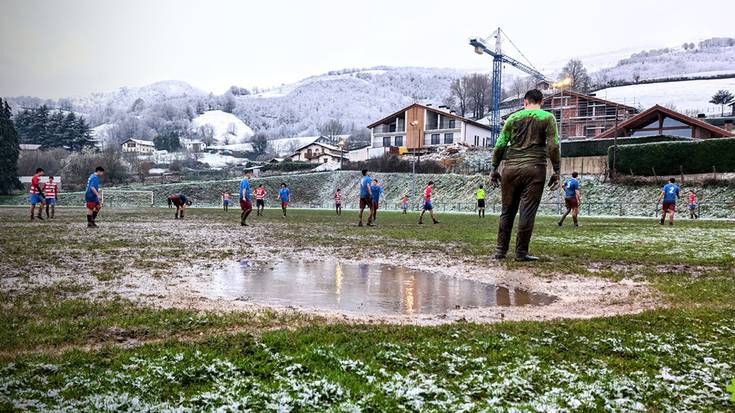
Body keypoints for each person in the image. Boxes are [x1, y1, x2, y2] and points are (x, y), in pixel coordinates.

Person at [490, 89, 561, 262]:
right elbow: (553, 146)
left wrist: (494, 168)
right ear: (541, 102)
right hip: (535, 169)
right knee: (527, 212)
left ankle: (500, 250)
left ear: (525, 102)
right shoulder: (547, 118)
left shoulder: (512, 118)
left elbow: (499, 145)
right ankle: (521, 253)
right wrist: (557, 170)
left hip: (510, 169)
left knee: (507, 211)